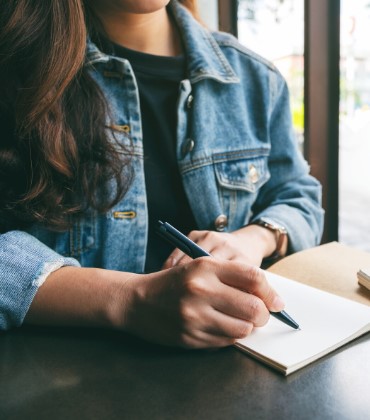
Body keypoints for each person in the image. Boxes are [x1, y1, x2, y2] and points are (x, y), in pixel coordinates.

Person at [0, 0, 324, 348]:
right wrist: (132, 299)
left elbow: (297, 194)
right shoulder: (15, 74)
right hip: (64, 381)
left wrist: (252, 239)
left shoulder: (255, 79)